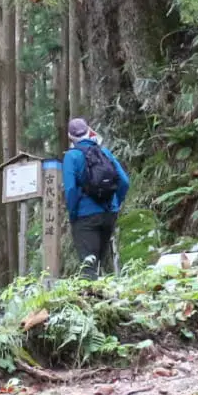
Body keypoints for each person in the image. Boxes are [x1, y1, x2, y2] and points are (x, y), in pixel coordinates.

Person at [62, 118, 129, 278]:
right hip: (108, 214)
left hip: (85, 217)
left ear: (70, 136)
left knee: (88, 266)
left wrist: (73, 214)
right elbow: (124, 181)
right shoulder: (104, 153)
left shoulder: (71, 157)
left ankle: (92, 299)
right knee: (99, 262)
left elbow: (70, 189)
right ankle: (104, 300)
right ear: (89, 131)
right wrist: (115, 204)